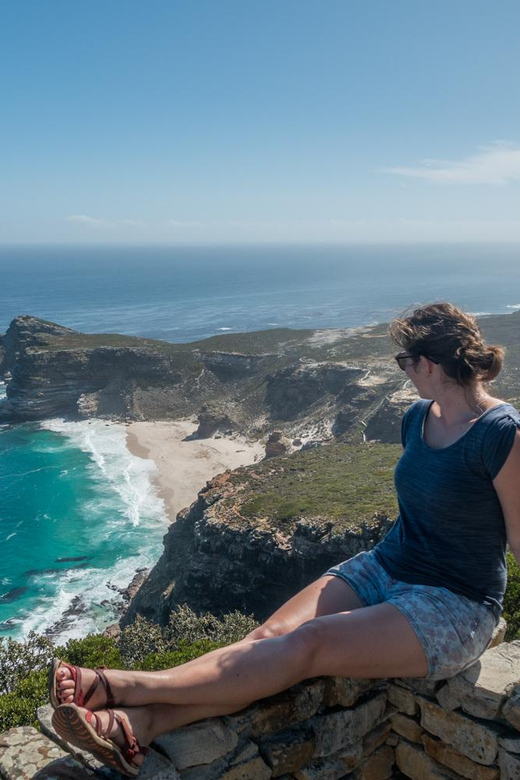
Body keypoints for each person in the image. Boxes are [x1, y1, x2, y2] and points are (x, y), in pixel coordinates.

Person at [49, 302, 520, 777]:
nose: (403, 371)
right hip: (387, 564)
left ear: (429, 364)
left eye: (404, 361)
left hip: (454, 604)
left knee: (307, 643)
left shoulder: (500, 433)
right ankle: (143, 726)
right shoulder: (416, 417)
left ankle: (129, 687)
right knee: (267, 639)